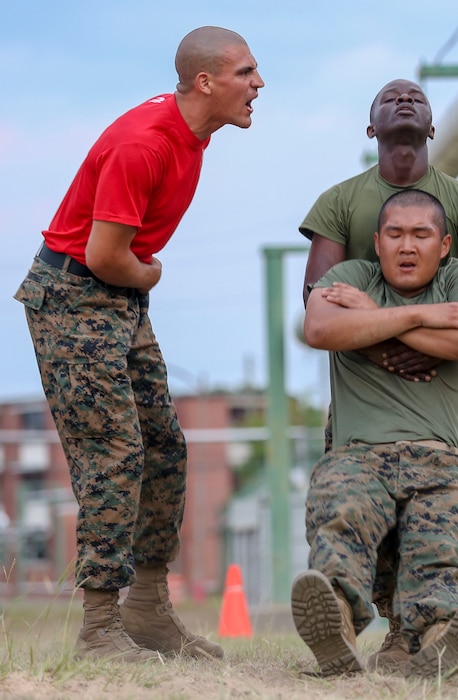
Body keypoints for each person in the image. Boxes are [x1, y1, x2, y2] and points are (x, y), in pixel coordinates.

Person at [13, 27, 264, 662]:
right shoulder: (144, 144)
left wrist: (139, 278)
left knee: (165, 448)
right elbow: (104, 255)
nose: (258, 85)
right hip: (75, 297)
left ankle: (148, 610)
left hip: (117, 299)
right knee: (115, 452)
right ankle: (99, 629)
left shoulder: (194, 132)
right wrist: (151, 273)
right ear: (205, 82)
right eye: (246, 73)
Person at [298, 78, 458, 671]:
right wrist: (410, 322)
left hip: (442, 429)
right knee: (344, 513)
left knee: (444, 535)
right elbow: (317, 317)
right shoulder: (342, 210)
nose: (405, 99)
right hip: (363, 436)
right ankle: (337, 626)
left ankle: (433, 638)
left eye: (417, 95)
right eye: (395, 234)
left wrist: (388, 323)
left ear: (446, 245)